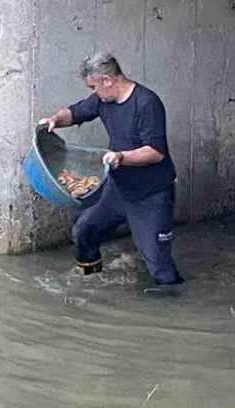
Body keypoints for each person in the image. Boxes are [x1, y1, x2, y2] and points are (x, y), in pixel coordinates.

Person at [39, 52, 184, 286]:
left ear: (108, 80)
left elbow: (155, 152)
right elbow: (75, 113)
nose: (93, 92)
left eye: (94, 86)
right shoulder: (102, 100)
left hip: (151, 194)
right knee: (83, 232)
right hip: (117, 189)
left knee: (159, 265)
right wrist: (55, 120)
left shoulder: (146, 103)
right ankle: (90, 280)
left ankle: (172, 311)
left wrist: (121, 157)